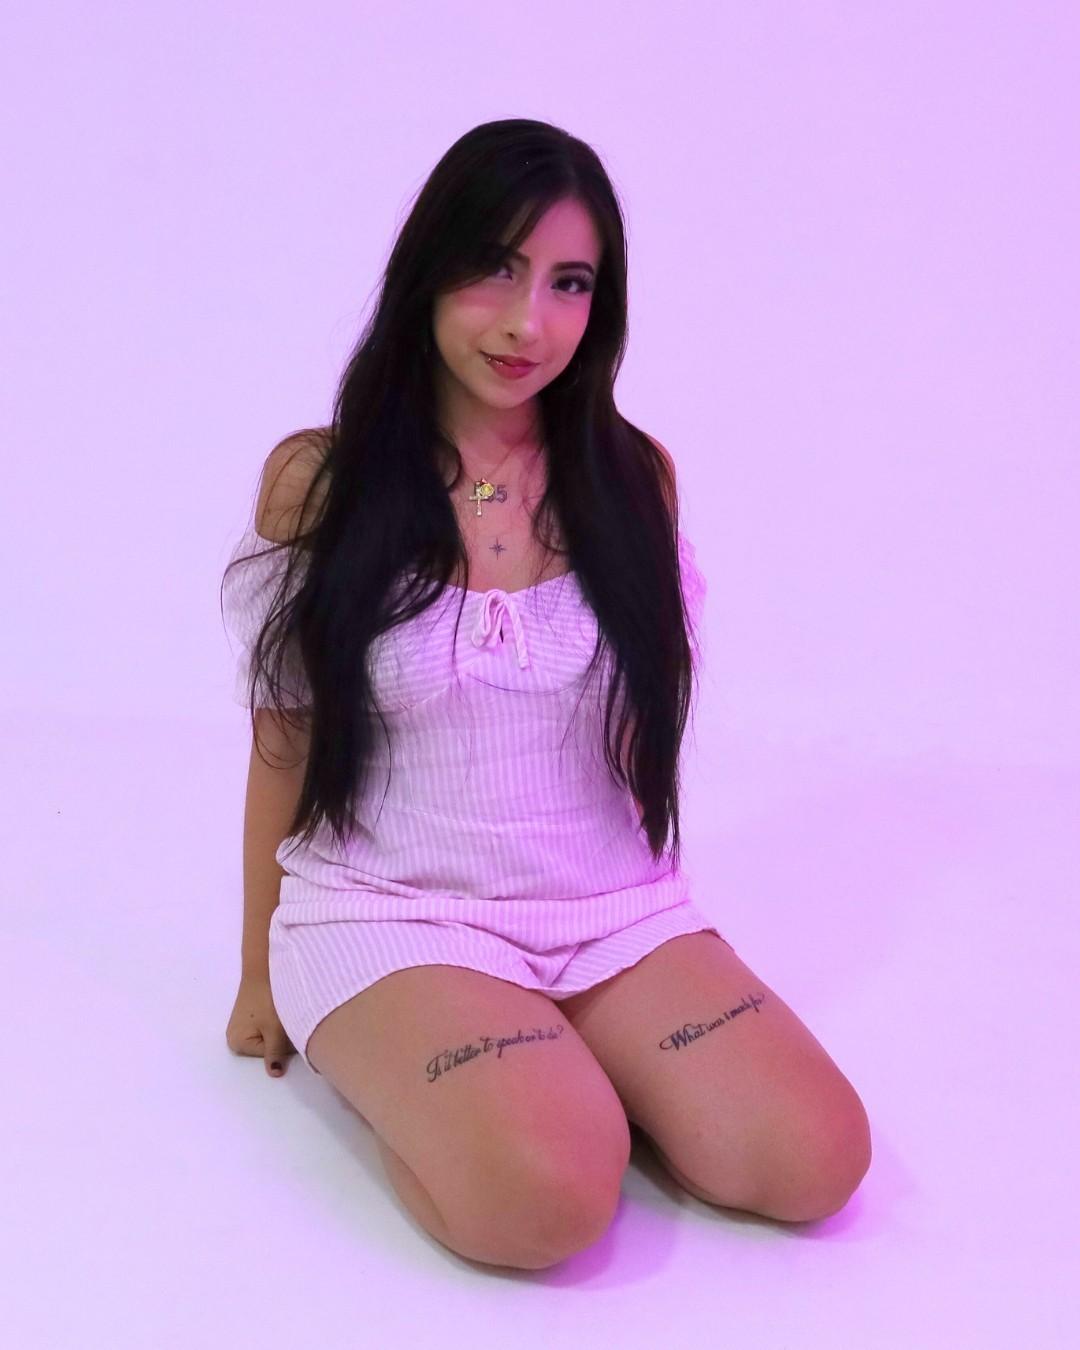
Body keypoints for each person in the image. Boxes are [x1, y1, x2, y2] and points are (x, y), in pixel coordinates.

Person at [222, 118, 871, 1271]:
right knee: (546, 1203)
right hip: (396, 912)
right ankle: (496, 1086)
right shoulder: (320, 482)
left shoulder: (632, 479)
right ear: (429, 270)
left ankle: (561, 1067)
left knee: (816, 1158)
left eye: (570, 282)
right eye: (497, 268)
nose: (530, 322)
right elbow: (284, 738)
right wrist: (259, 970)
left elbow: (624, 719)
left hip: (610, 913)